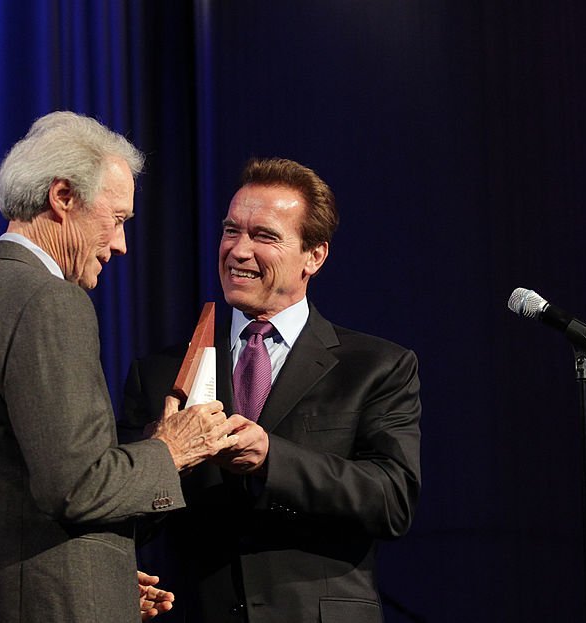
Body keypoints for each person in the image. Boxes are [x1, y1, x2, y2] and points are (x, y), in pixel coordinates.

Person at [0, 111, 239, 622]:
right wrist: (170, 449)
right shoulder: (49, 300)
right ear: (63, 198)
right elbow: (77, 486)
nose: (121, 244)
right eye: (118, 219)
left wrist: (94, 576)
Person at [120, 157, 422, 622]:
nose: (238, 251)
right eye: (230, 231)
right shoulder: (161, 372)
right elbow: (124, 518)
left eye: (264, 236)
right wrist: (162, 453)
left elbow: (392, 500)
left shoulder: (376, 366)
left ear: (314, 256)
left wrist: (271, 458)